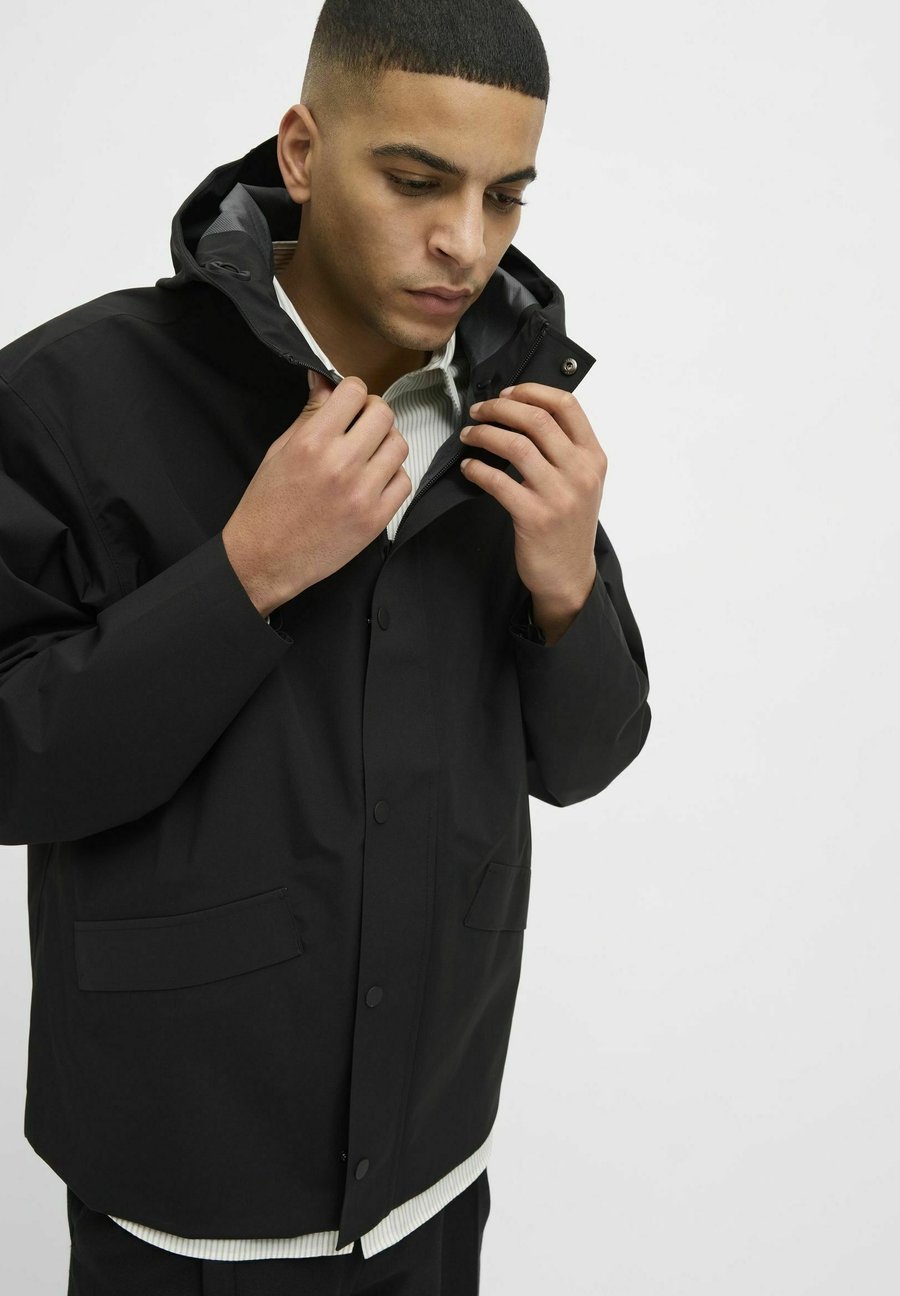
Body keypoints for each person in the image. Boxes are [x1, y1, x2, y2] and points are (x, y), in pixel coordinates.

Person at [0, 0, 652, 1291]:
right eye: (416, 181)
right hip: (180, 1195)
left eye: (505, 196)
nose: (466, 243)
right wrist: (245, 574)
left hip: (436, 1169)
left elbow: (584, 761)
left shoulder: (517, 409)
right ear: (301, 152)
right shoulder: (68, 395)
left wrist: (568, 585)